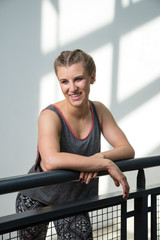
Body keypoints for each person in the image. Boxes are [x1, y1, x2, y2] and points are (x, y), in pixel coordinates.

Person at [16, 49, 135, 240]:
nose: (72, 88)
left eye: (78, 79)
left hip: (72, 201)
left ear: (92, 77)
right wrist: (103, 164)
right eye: (64, 81)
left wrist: (101, 157)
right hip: (36, 197)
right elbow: (50, 161)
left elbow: (127, 149)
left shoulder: (99, 110)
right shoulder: (50, 115)